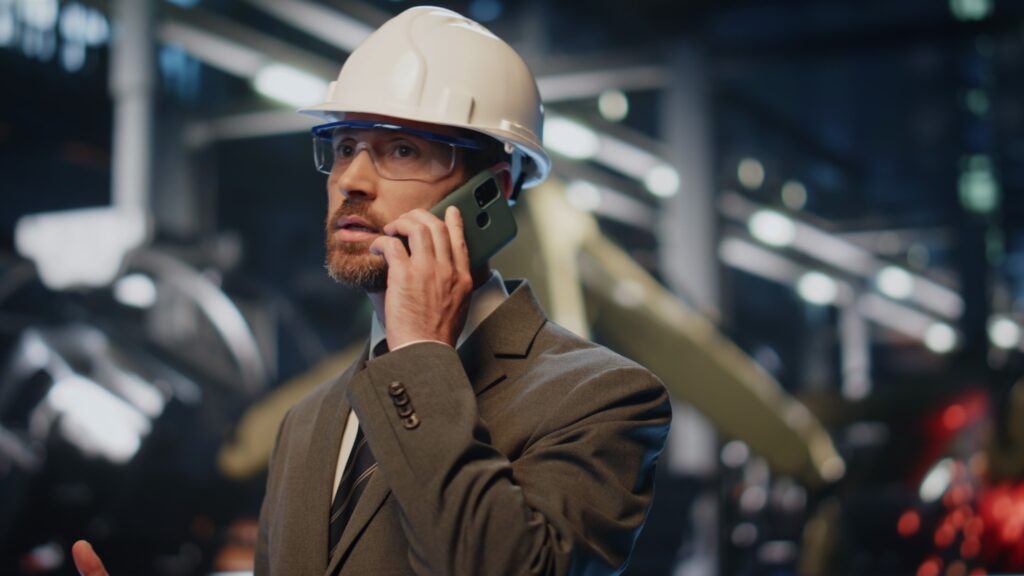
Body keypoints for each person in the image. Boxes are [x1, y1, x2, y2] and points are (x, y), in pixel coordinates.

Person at [74, 6, 670, 575]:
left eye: (401, 149)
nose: (351, 180)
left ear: (493, 188)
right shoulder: (304, 423)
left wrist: (419, 358)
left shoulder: (604, 398)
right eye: (344, 148)